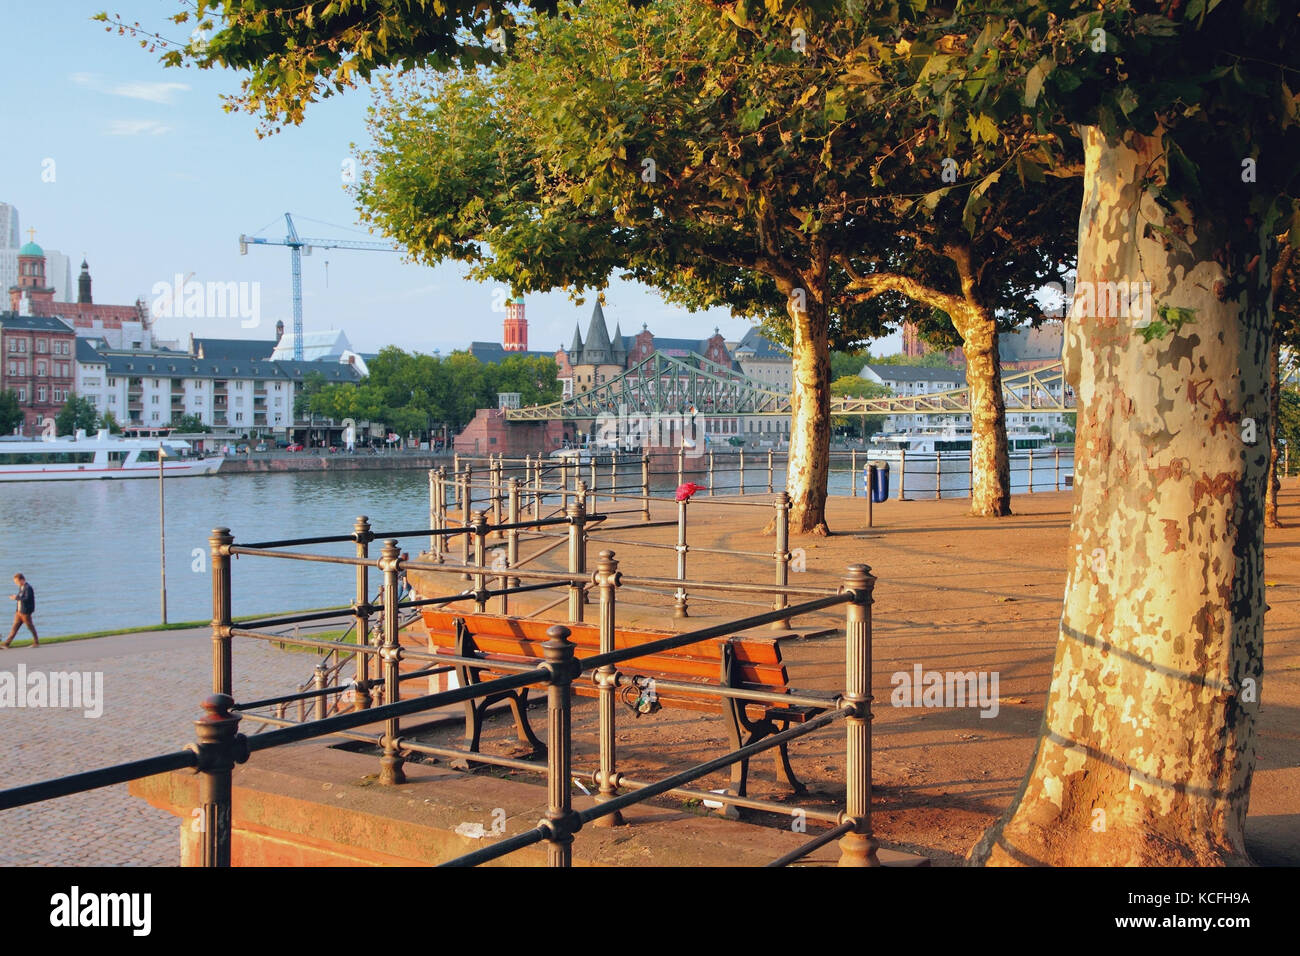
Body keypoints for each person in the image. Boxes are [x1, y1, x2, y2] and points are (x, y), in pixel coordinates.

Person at [4, 573, 38, 648]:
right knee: (14, 628)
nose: (16, 584)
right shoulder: (21, 587)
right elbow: (20, 597)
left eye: (17, 582)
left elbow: (27, 599)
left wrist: (16, 598)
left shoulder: (28, 588)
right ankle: (6, 644)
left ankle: (36, 642)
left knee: (30, 627)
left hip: (25, 612)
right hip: (19, 612)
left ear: (22, 580)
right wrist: (15, 597)